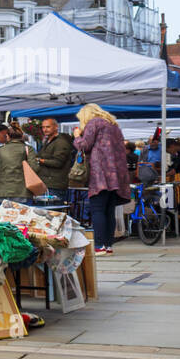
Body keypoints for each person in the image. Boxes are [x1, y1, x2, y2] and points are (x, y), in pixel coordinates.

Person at [73, 104, 131, 255]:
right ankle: (108, 245)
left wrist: (77, 136)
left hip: (100, 174)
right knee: (109, 211)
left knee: (97, 210)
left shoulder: (94, 123)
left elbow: (85, 146)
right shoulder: (114, 126)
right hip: (116, 174)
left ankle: (99, 246)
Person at [0, 123, 36, 204]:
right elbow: (35, 168)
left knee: (3, 216)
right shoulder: (28, 149)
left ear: (8, 136)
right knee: (22, 216)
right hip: (22, 192)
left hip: (1, 192)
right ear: (22, 136)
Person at [32, 117, 75, 200]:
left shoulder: (61, 142)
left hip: (55, 184)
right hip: (46, 183)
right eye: (43, 127)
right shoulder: (48, 141)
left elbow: (58, 162)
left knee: (53, 211)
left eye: (48, 127)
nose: (45, 129)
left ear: (56, 127)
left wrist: (40, 160)